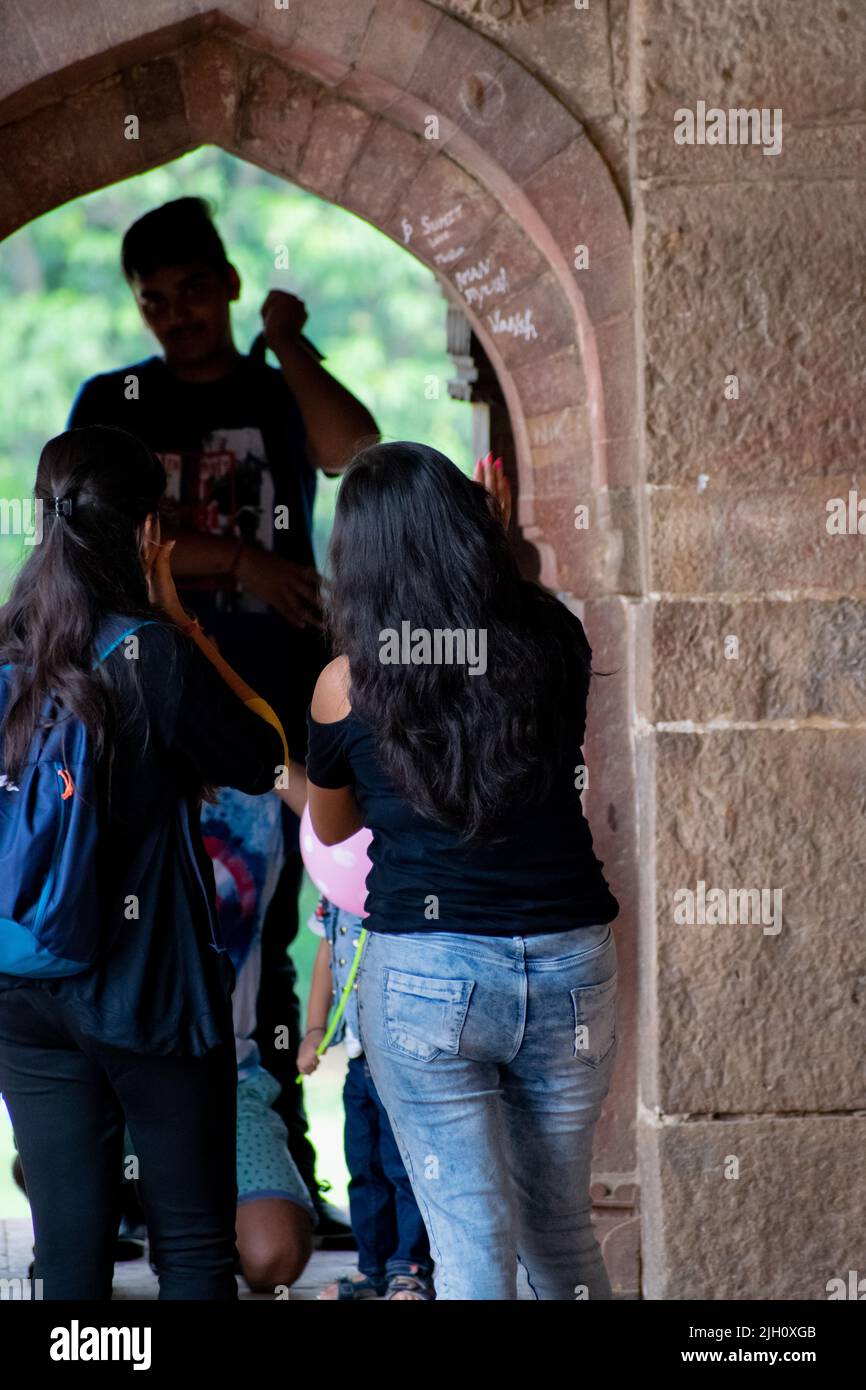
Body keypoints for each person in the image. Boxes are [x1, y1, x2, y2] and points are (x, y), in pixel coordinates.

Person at [67, 196, 378, 1231]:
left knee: (272, 938)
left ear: (231, 283)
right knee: (145, 921)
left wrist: (286, 344)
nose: (176, 315)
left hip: (271, 711)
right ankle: (121, 1172)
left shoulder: (269, 385)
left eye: (195, 290)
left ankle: (277, 1166)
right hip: (147, 708)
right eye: (154, 299)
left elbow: (355, 446)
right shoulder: (114, 398)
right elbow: (100, 528)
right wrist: (242, 558)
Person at [304, 443, 621, 1301]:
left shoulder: (346, 685)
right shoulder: (553, 635)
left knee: (472, 1247)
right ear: (465, 525)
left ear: (358, 560)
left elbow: (334, 829)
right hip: (567, 962)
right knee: (561, 1234)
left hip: (428, 975)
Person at [0, 425, 288, 1299]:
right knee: (195, 1249)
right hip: (148, 984)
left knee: (71, 1257)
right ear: (146, 532)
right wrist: (174, 616)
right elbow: (264, 756)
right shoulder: (149, 652)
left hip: (22, 983)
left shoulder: (8, 647)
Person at [298, 897, 435, 1301]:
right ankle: (371, 1266)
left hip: (400, 1055)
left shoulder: (405, 876)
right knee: (362, 1165)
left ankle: (409, 1266)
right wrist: (315, 1029)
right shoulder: (335, 894)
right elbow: (327, 952)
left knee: (403, 1168)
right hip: (358, 1062)